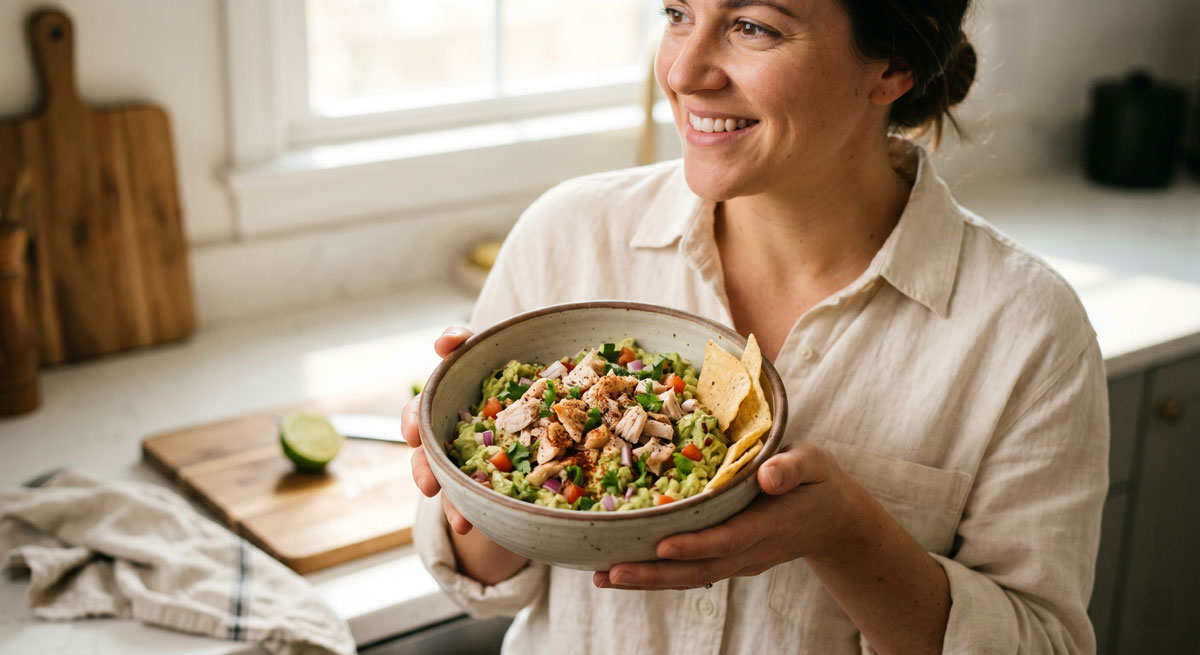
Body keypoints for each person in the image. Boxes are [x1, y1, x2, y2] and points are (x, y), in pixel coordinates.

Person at [400, 0, 1109, 652]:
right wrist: (476, 479)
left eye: (753, 26)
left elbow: (1045, 641)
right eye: (678, 12)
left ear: (892, 67)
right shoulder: (568, 237)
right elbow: (485, 581)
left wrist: (848, 535)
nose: (683, 70)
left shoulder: (1030, 333)